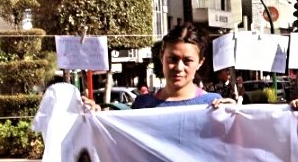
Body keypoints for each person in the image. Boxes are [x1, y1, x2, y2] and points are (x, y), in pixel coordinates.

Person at [84, 23, 230, 111]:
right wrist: (95, 118)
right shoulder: (143, 104)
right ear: (161, 57)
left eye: (187, 61)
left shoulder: (213, 104)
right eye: (173, 59)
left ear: (200, 62)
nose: (179, 67)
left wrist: (236, 116)